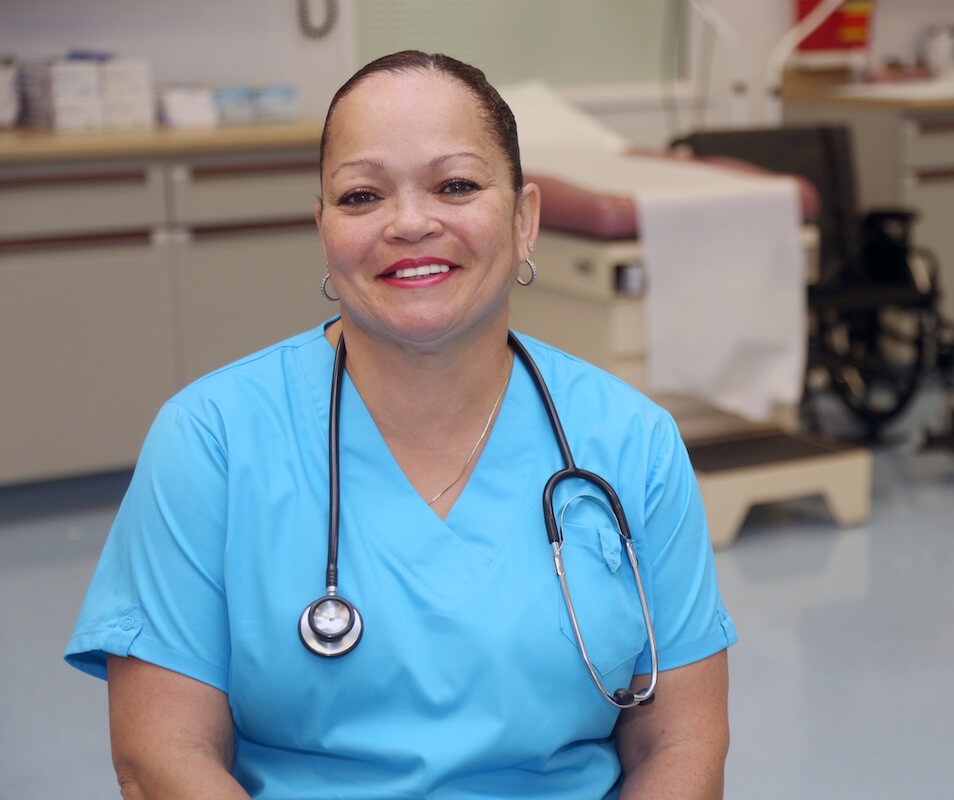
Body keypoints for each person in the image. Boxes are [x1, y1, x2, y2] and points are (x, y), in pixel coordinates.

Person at [65, 50, 736, 799]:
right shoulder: (210, 441)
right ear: (323, 230)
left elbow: (682, 742)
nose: (410, 222)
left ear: (524, 220)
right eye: (361, 196)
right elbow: (162, 756)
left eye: (455, 185)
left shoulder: (631, 443)